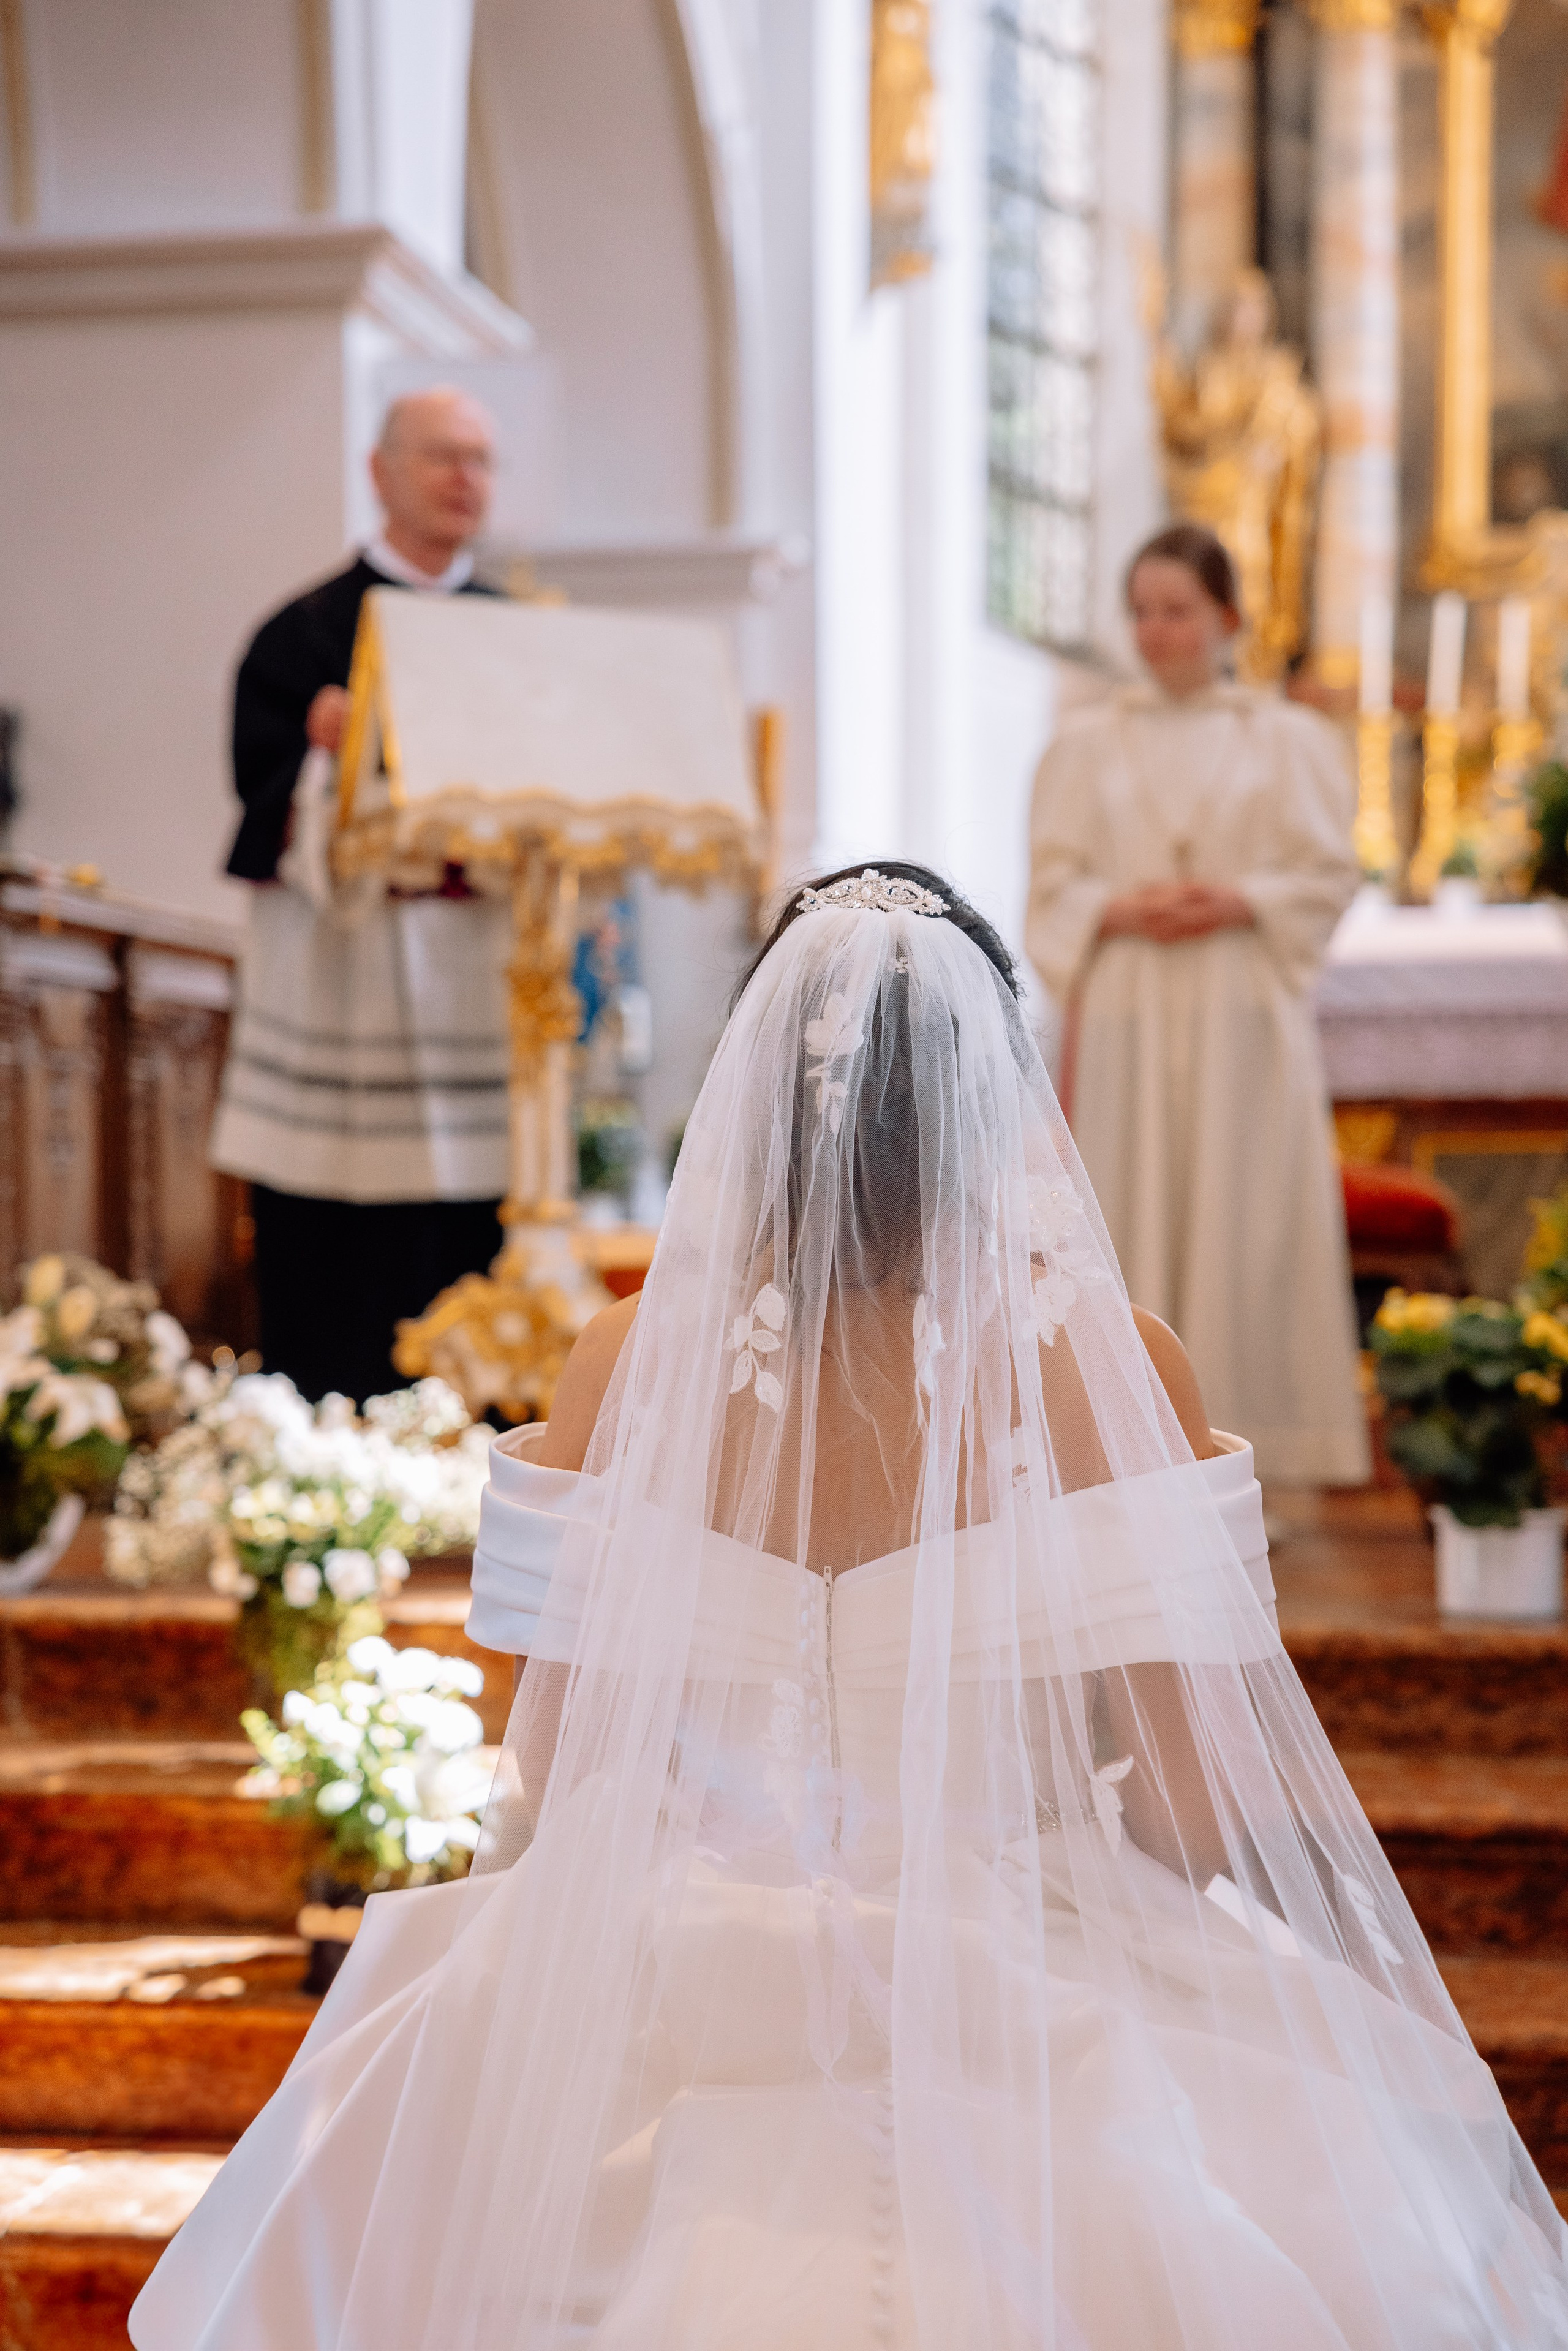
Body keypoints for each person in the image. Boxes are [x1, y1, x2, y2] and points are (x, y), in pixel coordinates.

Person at [133, 861, 1564, 2348]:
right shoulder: (1109, 1361)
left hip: (684, 1940)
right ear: (992, 1092)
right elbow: (1198, 1815)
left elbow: (552, 1775)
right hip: (1027, 1945)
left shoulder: (620, 1360)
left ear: (760, 1089)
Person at [1027, 525, 1369, 1486]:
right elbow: (1049, 890)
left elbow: (1327, 874)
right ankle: (1119, 1467)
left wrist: (1241, 898)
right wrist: (1116, 905)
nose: (1155, 631)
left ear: (1227, 617)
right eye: (1141, 610)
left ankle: (1253, 1463)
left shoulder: (1289, 739)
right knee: (1127, 1215)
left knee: (1244, 1220)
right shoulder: (1086, 745)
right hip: (1132, 997)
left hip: (1239, 1005)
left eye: (1176, 610)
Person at [209, 388, 511, 1404]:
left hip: (471, 979)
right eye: (442, 457)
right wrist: (316, 747)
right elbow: (258, 799)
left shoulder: (518, 641)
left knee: (463, 1222)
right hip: (349, 980)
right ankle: (328, 1436)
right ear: (380, 472)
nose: (465, 478)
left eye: (480, 459)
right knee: (332, 1229)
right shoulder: (300, 637)